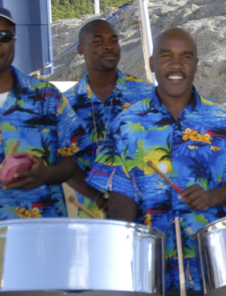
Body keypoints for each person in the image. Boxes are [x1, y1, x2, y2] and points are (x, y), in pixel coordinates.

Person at [85, 28, 226, 295]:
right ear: (152, 64)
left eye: (186, 56)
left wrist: (211, 197)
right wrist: (122, 246)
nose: (176, 64)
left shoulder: (222, 119)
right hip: (150, 266)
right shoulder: (125, 123)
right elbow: (119, 194)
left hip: (213, 264)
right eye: (166, 55)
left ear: (196, 64)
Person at [0, 5, 91, 228]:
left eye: (4, 36)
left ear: (14, 42)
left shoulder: (48, 97)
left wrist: (45, 174)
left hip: (42, 236)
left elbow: (70, 160)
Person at [64, 19, 154, 219]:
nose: (108, 46)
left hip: (147, 211)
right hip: (94, 214)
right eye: (98, 41)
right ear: (80, 49)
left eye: (113, 40)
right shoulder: (67, 104)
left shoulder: (147, 94)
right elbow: (66, 163)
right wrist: (100, 199)